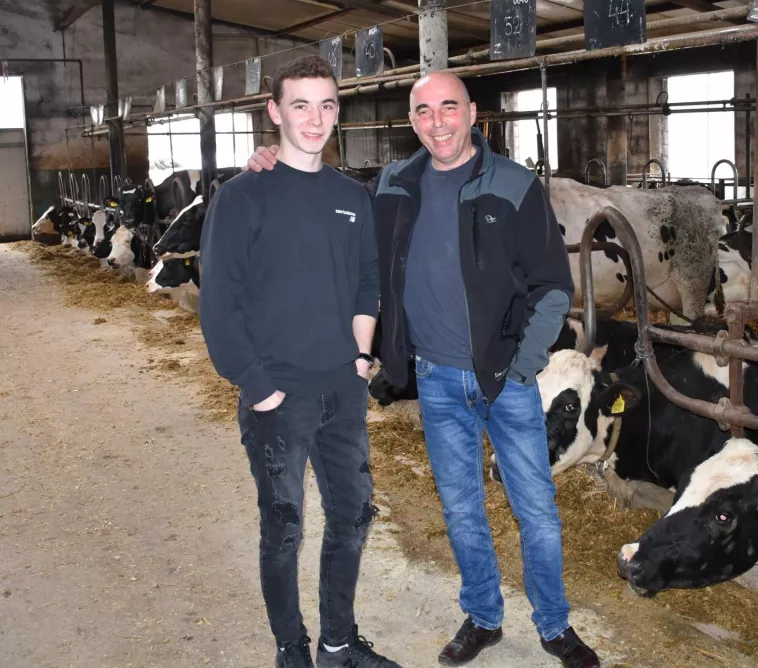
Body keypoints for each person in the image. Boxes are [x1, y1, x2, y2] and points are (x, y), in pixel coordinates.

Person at [245, 71, 601, 668]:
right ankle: (483, 616)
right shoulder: (393, 185)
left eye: (449, 108)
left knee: (535, 509)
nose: (439, 122)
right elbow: (330, 210)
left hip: (507, 381)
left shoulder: (514, 184)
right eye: (425, 111)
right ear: (412, 121)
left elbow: (554, 287)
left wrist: (523, 366)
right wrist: (270, 163)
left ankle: (554, 624)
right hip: (436, 381)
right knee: (461, 509)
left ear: (473, 113)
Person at [200, 55, 401, 668]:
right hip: (277, 396)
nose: (315, 119)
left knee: (353, 517)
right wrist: (257, 385)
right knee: (284, 529)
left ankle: (338, 641)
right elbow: (219, 302)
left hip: (344, 390)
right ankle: (292, 649)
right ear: (275, 112)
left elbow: (367, 281)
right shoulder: (241, 197)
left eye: (327, 105)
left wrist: (361, 357)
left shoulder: (351, 196)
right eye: (301, 105)